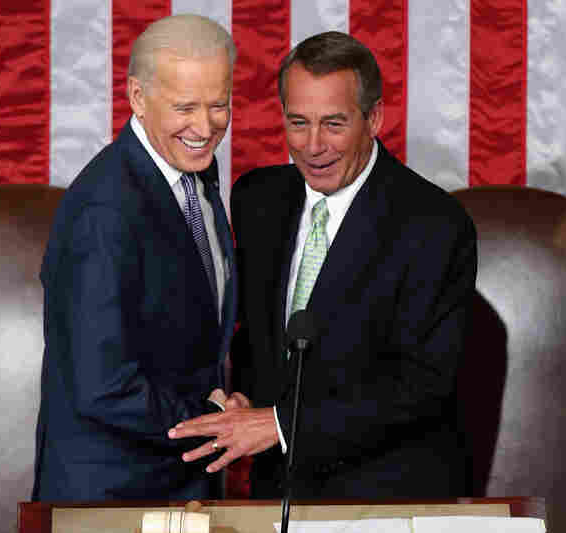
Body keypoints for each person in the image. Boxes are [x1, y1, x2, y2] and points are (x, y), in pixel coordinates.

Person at [168, 31, 477, 499]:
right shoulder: (258, 199)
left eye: (333, 124)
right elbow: (259, 341)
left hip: (383, 495)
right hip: (277, 492)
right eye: (298, 123)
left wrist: (277, 424)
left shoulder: (434, 224)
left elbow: (421, 386)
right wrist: (246, 398)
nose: (312, 146)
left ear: (373, 118)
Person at [32, 14, 238, 501]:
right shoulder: (103, 211)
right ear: (138, 98)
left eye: (219, 105)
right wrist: (212, 421)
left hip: (180, 486)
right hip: (112, 498)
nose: (205, 127)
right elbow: (104, 386)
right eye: (185, 107)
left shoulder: (190, 172)